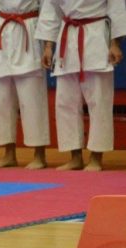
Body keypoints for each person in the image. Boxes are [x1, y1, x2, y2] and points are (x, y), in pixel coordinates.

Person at [36, 0, 125, 171]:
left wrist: (115, 44)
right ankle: (75, 157)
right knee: (65, 102)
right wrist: (48, 46)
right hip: (67, 38)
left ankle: (96, 157)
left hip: (96, 36)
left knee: (99, 101)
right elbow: (50, 9)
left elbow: (117, 8)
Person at [0, 0, 50, 169]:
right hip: (3, 32)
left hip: (29, 30)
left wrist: (46, 42)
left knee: (32, 99)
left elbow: (46, 8)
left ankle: (39, 154)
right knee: (2, 98)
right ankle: (9, 154)